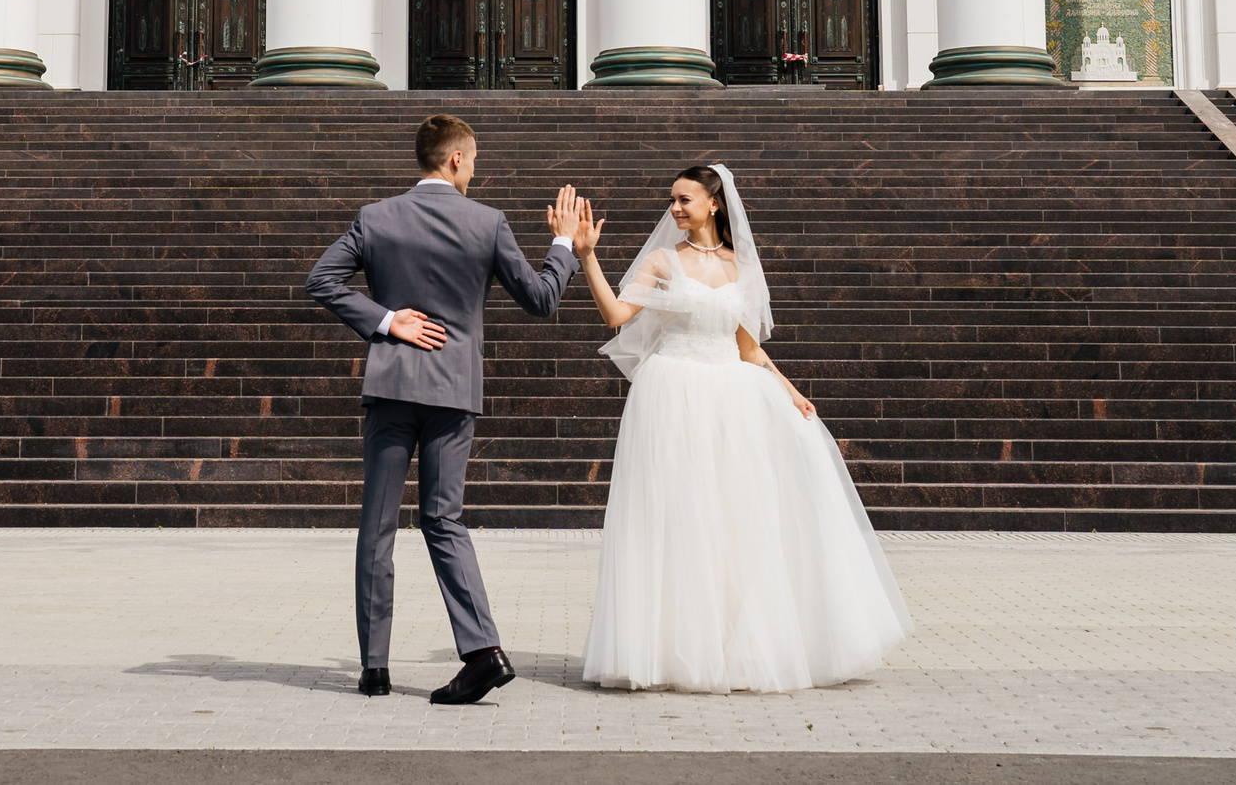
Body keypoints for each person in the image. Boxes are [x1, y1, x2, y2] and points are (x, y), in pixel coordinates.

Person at [573, 164, 912, 692]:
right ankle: (668, 651)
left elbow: (748, 348)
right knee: (677, 518)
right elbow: (616, 315)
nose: (674, 208)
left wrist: (789, 389)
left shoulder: (741, 267)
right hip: (672, 394)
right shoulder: (663, 261)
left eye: (684, 199)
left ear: (714, 203)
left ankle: (733, 648)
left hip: (730, 398)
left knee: (733, 519)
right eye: (672, 199)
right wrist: (587, 256)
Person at [306, 113, 595, 704]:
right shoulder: (487, 222)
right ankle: (483, 651)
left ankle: (375, 669)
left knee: (377, 527)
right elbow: (541, 299)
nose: (475, 171)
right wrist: (564, 243)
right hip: (454, 390)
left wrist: (388, 320)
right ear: (457, 158)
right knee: (444, 520)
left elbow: (322, 281)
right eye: (475, 161)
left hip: (392, 387)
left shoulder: (376, 217)